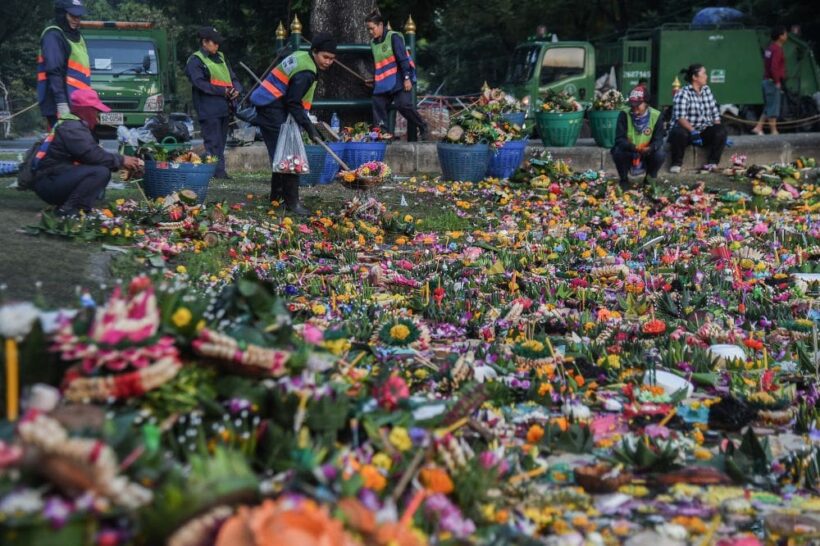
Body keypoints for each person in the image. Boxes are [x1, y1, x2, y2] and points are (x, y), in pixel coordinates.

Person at [250, 33, 336, 215]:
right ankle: (292, 203)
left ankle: (277, 198)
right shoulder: (306, 72)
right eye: (325, 57)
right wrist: (309, 128)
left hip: (270, 106)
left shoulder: (301, 56)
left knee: (279, 155)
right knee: (289, 156)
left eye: (332, 59)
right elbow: (293, 102)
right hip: (272, 109)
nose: (328, 62)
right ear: (315, 52)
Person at [31, 88, 141, 217]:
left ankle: (80, 209)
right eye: (96, 111)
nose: (98, 117)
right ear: (85, 110)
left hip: (54, 177)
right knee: (100, 172)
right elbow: (92, 155)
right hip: (49, 182)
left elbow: (93, 155)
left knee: (99, 169)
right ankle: (69, 209)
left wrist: (120, 162)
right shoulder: (72, 128)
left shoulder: (74, 125)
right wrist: (122, 160)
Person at [185, 26, 243, 180]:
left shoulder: (221, 57)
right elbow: (200, 83)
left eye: (218, 43)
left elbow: (233, 78)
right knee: (213, 142)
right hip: (208, 108)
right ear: (204, 42)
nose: (217, 46)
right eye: (214, 43)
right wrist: (223, 91)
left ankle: (218, 171)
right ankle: (216, 173)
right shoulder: (195, 60)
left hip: (224, 107)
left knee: (221, 142)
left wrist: (237, 89)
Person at [365, 11, 428, 141]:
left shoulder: (394, 37)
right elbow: (379, 64)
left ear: (381, 25)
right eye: (368, 29)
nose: (371, 32)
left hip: (400, 79)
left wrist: (406, 78)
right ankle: (384, 135)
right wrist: (374, 80)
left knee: (403, 105)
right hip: (384, 82)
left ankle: (422, 126)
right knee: (377, 103)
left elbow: (403, 59)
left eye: (372, 28)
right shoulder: (373, 43)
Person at [37, 0, 92, 128]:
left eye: (78, 16)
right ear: (62, 14)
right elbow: (54, 71)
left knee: (75, 143)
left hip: (77, 102)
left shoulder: (76, 36)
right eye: (72, 15)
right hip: (61, 103)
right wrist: (61, 104)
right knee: (63, 143)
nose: (76, 19)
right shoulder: (53, 35)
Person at [668, 63, 727, 174]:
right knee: (679, 133)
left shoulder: (706, 90)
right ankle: (676, 163)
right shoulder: (683, 93)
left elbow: (715, 114)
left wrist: (720, 135)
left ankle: (712, 163)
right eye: (704, 73)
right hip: (687, 132)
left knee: (721, 130)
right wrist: (693, 131)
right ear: (694, 77)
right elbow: (680, 118)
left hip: (702, 131)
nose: (706, 76)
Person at [611, 85, 666, 187]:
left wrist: (650, 148)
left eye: (638, 106)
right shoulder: (624, 114)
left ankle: (649, 181)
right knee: (617, 151)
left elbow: (659, 140)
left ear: (646, 104)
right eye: (632, 105)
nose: (634, 109)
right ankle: (624, 180)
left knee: (660, 154)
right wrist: (633, 147)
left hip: (647, 151)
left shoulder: (656, 115)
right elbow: (619, 139)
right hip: (629, 150)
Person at [752, 26, 787, 136]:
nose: (786, 36)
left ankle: (758, 127)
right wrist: (777, 81)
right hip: (772, 82)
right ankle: (773, 130)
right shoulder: (777, 49)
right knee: (773, 107)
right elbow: (774, 67)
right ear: (780, 36)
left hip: (766, 80)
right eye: (785, 34)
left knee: (768, 106)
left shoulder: (770, 48)